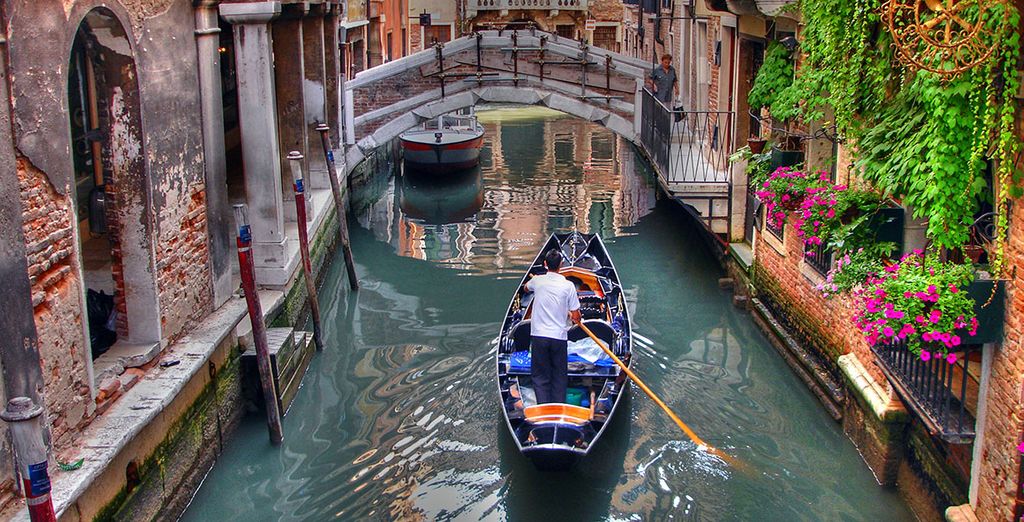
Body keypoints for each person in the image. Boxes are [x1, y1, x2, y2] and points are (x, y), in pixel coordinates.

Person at [524, 249, 582, 404]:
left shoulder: (537, 281)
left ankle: (544, 409)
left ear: (545, 264)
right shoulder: (568, 286)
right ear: (561, 265)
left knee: (541, 376)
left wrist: (535, 283)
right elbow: (576, 317)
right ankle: (557, 409)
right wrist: (571, 314)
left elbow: (525, 288)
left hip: (539, 337)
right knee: (559, 376)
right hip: (558, 338)